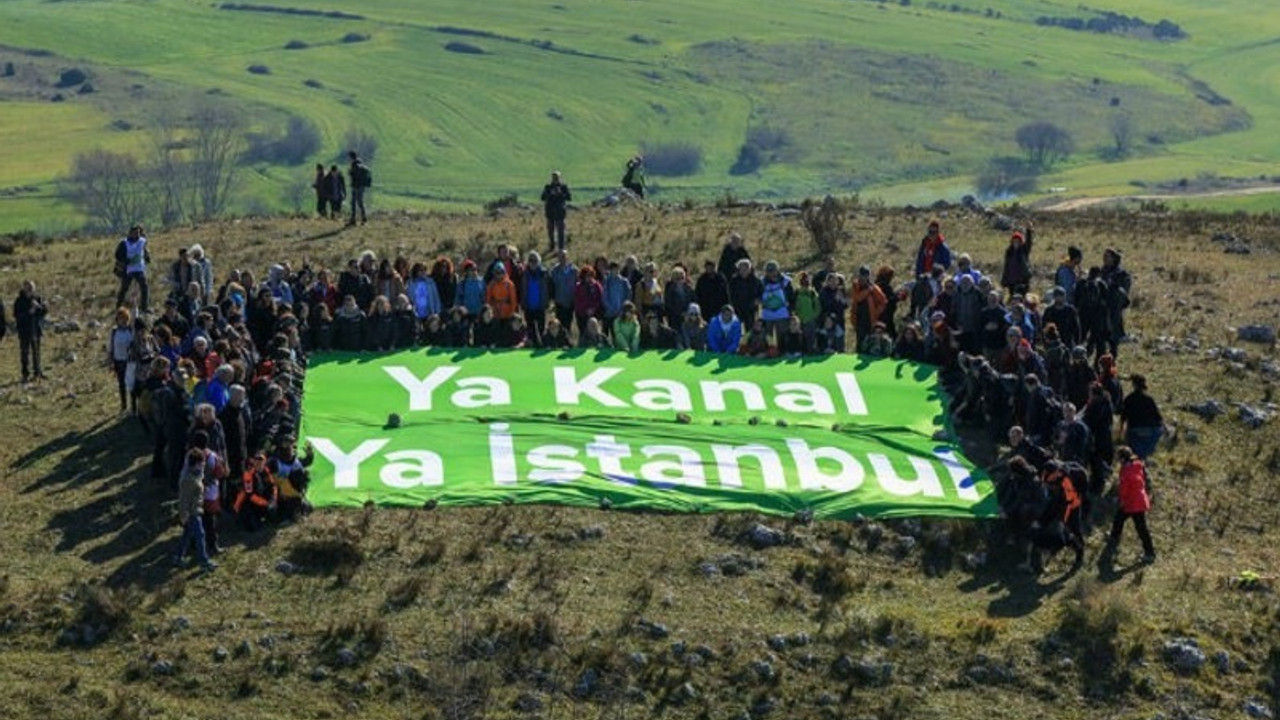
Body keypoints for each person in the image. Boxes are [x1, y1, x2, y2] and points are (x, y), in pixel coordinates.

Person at [1105, 447, 1156, 564]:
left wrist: (1121, 500)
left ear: (1123, 458)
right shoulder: (1137, 465)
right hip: (1140, 499)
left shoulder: (1126, 472)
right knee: (1119, 518)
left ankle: (1150, 553)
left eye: (1118, 458)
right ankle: (1114, 536)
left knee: (1141, 528)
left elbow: (1124, 490)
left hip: (1133, 503)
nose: (1117, 460)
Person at [173, 448, 216, 572]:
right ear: (195, 463)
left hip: (196, 510)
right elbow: (184, 500)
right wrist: (183, 516)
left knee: (187, 535)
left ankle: (178, 556)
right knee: (200, 535)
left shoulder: (196, 474)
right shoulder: (187, 480)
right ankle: (204, 562)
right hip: (192, 513)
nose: (203, 464)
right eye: (201, 462)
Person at [1120, 373, 1164, 460]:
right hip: (1151, 431)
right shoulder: (1149, 399)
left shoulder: (1129, 399)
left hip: (1135, 430)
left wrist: (1121, 433)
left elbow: (1123, 418)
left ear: (1133, 385)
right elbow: (1158, 418)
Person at [15, 280, 46, 382]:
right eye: (28, 288)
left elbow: (44, 311)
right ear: (24, 289)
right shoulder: (19, 301)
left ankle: (38, 372)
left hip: (36, 330)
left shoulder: (37, 298)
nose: (30, 291)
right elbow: (17, 316)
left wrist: (39, 307)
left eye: (32, 288)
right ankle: (25, 374)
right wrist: (29, 313)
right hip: (24, 331)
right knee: (25, 352)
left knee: (36, 352)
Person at [115, 225, 151, 313]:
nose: (137, 235)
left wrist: (147, 258)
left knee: (144, 287)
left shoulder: (142, 241)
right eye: (135, 233)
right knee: (124, 288)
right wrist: (126, 261)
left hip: (139, 268)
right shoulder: (124, 243)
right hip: (129, 269)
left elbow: (145, 250)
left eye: (138, 233)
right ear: (130, 233)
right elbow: (117, 255)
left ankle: (144, 307)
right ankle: (119, 306)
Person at [849, 266, 886, 350]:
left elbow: (883, 301)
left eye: (866, 275)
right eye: (862, 275)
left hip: (870, 319)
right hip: (859, 319)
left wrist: (876, 312)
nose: (864, 278)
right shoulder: (855, 286)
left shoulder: (875, 288)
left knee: (870, 342)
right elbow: (858, 298)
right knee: (860, 342)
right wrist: (868, 290)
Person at [107, 307, 134, 411]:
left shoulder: (130, 330)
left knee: (131, 384)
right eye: (120, 318)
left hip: (130, 360)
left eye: (124, 318)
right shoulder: (114, 332)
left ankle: (133, 406)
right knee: (121, 384)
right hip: (119, 361)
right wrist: (110, 362)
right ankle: (124, 405)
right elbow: (110, 347)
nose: (122, 320)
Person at [999, 224, 1034, 297]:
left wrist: (1029, 231)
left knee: (1023, 298)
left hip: (1022, 280)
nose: (1016, 243)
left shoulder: (1024, 250)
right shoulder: (1009, 252)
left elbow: (1029, 242)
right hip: (1011, 281)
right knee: (1013, 298)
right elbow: (1006, 267)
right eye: (1014, 241)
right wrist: (1004, 280)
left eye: (1018, 241)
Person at [541, 171, 572, 251]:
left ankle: (561, 247)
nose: (555, 179)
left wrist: (561, 193)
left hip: (560, 212)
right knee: (550, 231)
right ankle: (552, 245)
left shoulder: (563, 187)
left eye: (556, 177)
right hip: (550, 212)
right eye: (554, 177)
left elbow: (569, 197)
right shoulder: (548, 187)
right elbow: (542, 198)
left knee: (560, 231)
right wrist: (550, 194)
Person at [347, 150, 371, 225]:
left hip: (356, 186)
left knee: (356, 203)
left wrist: (350, 172)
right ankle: (362, 218)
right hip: (361, 186)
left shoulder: (355, 165)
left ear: (351, 157)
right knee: (359, 202)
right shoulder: (360, 163)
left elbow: (354, 176)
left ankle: (356, 219)